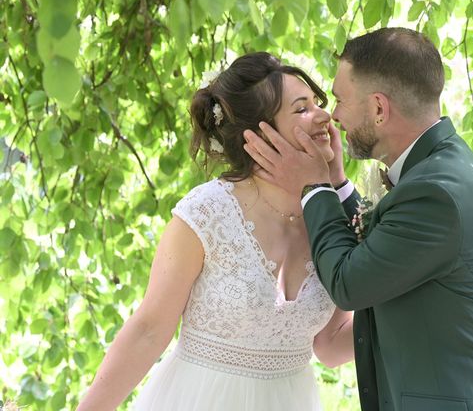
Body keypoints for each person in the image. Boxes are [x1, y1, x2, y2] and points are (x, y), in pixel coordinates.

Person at [243, 28, 473, 411]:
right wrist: (338, 184)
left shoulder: (439, 191)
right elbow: (388, 245)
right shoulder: (440, 170)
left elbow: (349, 283)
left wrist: (314, 185)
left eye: (340, 99)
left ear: (378, 108)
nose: (333, 115)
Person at [77, 52, 354, 411]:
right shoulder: (207, 213)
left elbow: (330, 345)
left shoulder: (331, 217)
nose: (324, 116)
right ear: (259, 134)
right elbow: (149, 331)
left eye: (318, 104)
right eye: (302, 109)